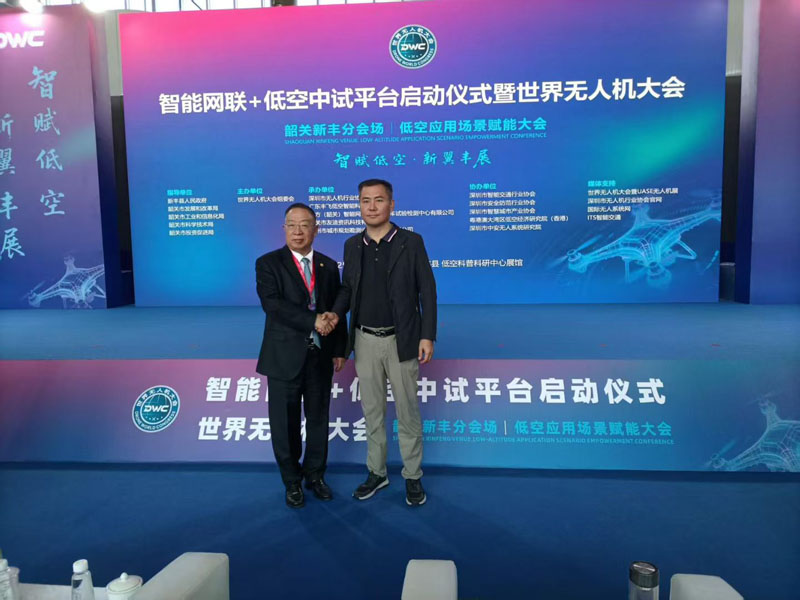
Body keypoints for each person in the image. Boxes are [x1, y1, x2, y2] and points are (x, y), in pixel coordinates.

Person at [327, 178, 437, 506]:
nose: (372, 207)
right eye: (365, 201)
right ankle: (377, 472)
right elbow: (348, 290)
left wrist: (427, 334)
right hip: (364, 340)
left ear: (392, 205)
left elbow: (427, 290)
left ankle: (412, 475)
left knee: (407, 411)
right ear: (359, 205)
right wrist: (334, 316)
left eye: (379, 200)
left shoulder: (410, 242)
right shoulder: (352, 245)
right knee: (372, 411)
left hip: (401, 339)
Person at [256, 203, 347, 508]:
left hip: (320, 357)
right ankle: (292, 481)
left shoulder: (327, 265)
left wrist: (340, 349)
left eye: (304, 225)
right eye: (291, 225)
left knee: (319, 419)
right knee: (285, 424)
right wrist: (313, 321)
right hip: (284, 356)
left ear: (315, 230)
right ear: (284, 229)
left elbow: (335, 308)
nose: (298, 231)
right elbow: (273, 305)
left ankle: (315, 476)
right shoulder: (268, 263)